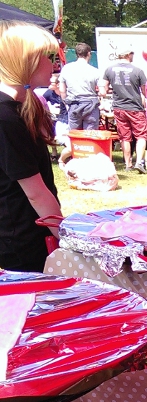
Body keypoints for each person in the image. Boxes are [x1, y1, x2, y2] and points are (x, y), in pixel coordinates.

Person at [0, 20, 62, 272]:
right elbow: (35, 191)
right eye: (46, 56)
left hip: (29, 232)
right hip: (20, 240)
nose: (53, 64)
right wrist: (66, 236)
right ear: (26, 60)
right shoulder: (5, 116)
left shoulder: (18, 107)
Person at [99, 46, 147, 174]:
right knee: (141, 135)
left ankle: (128, 164)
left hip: (119, 108)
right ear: (128, 54)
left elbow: (103, 90)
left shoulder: (109, 69)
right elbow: (145, 92)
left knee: (124, 137)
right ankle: (139, 162)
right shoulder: (138, 71)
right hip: (135, 108)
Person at [58, 42, 100, 130]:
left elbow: (62, 90)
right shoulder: (95, 71)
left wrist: (66, 103)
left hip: (74, 104)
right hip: (91, 105)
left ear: (77, 54)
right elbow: (102, 91)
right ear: (89, 53)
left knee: (75, 135)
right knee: (90, 135)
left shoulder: (66, 68)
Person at [43, 73, 71, 166]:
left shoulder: (68, 94)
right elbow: (42, 102)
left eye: (52, 83)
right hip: (58, 119)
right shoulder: (48, 93)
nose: (49, 84)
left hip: (65, 119)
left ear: (58, 84)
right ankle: (57, 155)